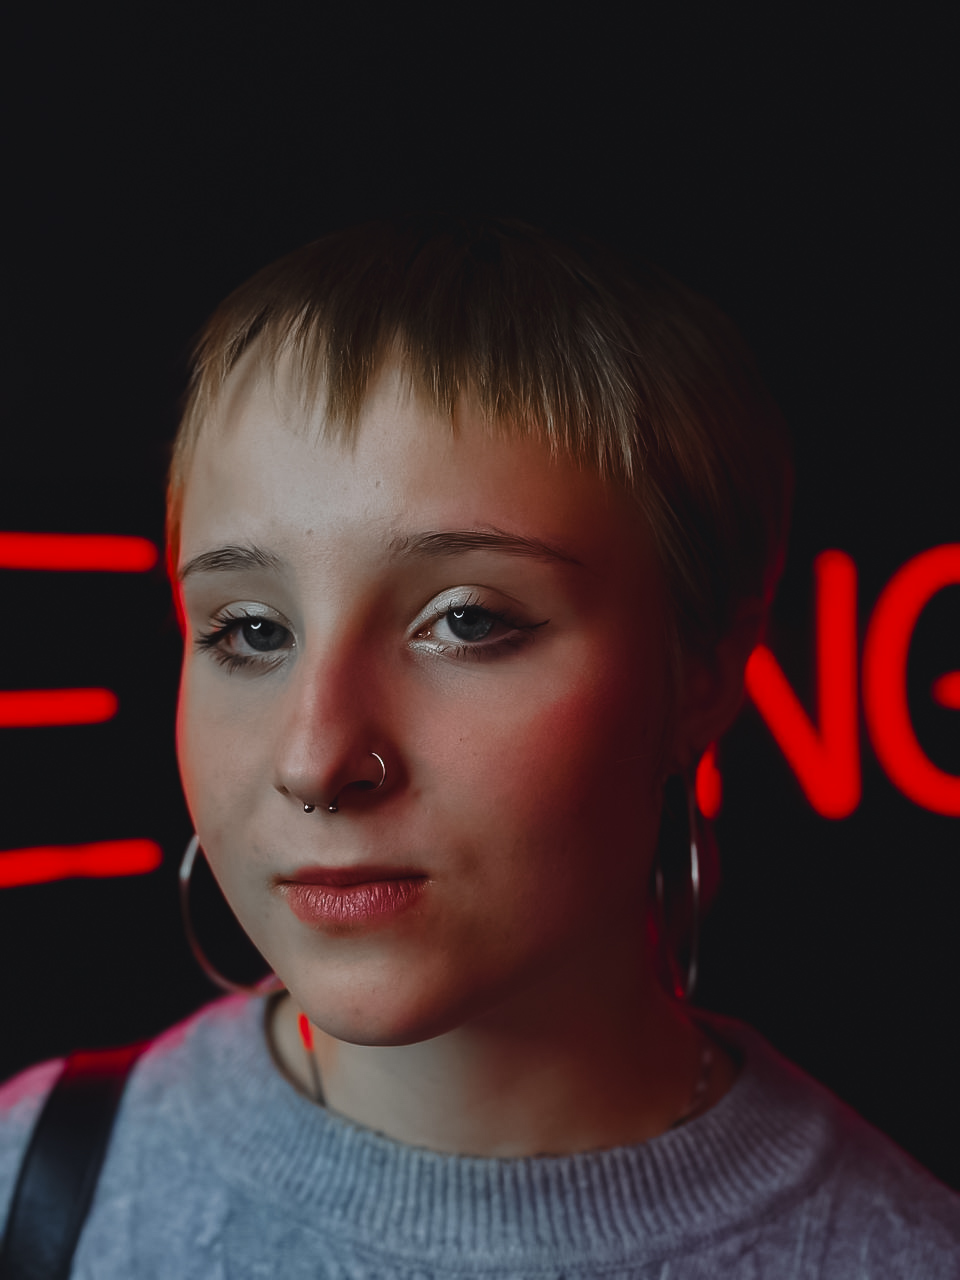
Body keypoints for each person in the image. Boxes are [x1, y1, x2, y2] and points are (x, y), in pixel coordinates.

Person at [1, 215, 956, 1276]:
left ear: (704, 668)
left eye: (466, 620)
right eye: (252, 631)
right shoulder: (28, 1182)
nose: (315, 759)